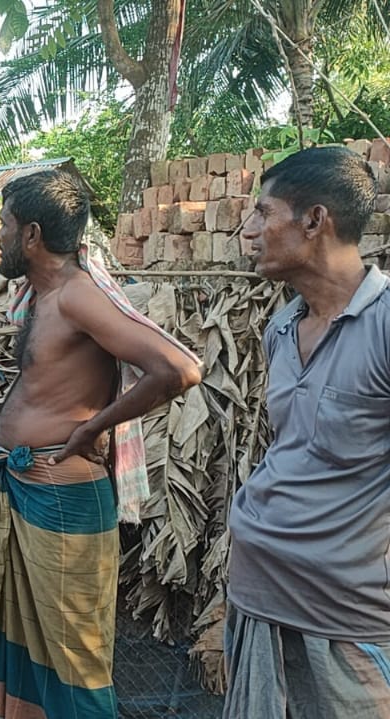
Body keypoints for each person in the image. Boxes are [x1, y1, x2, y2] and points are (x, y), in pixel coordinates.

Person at [0, 172, 203, 719]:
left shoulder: (77, 296)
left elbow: (180, 369)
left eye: (3, 223)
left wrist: (94, 429)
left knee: (74, 659)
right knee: (26, 648)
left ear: (32, 235)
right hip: (28, 483)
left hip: (61, 493)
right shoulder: (44, 297)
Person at [224, 147, 390, 718]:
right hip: (257, 600)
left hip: (347, 620)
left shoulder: (385, 325)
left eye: (262, 213)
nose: (248, 232)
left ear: (315, 220)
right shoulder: (282, 326)